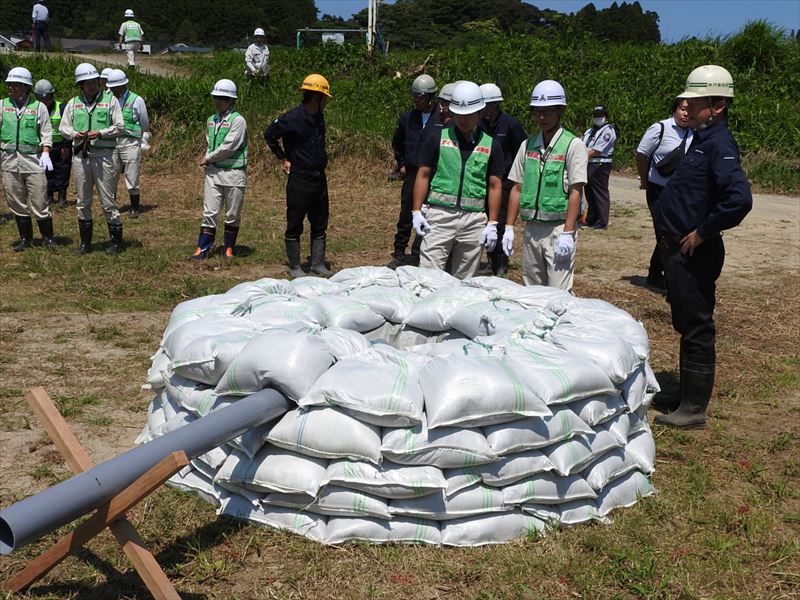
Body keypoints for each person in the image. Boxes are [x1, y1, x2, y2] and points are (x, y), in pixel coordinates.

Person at [651, 65, 752, 429]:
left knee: (696, 326)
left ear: (718, 105)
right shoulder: (701, 139)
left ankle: (694, 408)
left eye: (695, 101)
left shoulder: (720, 145)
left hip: (694, 252)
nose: (686, 106)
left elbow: (739, 199)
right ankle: (683, 393)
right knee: (685, 322)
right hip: (676, 251)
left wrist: (703, 232)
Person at [411, 81, 504, 280]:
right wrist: (417, 211)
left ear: (480, 113)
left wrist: (493, 223)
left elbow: (495, 185)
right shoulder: (437, 138)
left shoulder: (492, 146)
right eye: (459, 114)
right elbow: (423, 174)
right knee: (428, 276)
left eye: (469, 114)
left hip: (474, 219)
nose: (463, 119)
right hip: (439, 215)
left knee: (465, 280)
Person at [505, 79, 588, 291]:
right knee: (532, 288)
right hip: (532, 227)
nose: (542, 117)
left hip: (558, 227)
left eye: (548, 111)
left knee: (557, 291)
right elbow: (516, 187)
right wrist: (509, 227)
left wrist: (568, 232)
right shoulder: (528, 144)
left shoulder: (573, 145)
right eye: (537, 112)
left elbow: (576, 191)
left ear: (560, 111)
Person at [264, 74, 333, 278]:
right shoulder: (291, 118)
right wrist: (283, 158)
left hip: (319, 178)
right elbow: (269, 135)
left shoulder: (319, 117)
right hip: (300, 179)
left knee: (320, 222)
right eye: (325, 97)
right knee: (295, 222)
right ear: (316, 97)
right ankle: (295, 266)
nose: (327, 101)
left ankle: (317, 263)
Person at [59, 62, 125, 255]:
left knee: (108, 200)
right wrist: (74, 133)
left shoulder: (110, 100)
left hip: (104, 155)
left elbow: (120, 127)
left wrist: (101, 133)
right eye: (86, 83)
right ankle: (85, 243)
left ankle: (115, 243)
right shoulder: (73, 103)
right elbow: (63, 127)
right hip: (81, 156)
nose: (91, 86)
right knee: (83, 200)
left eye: (93, 82)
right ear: (80, 84)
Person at [635, 98, 693, 290]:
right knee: (665, 232)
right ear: (675, 109)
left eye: (690, 109)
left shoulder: (695, 131)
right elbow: (641, 154)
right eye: (682, 109)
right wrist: (644, 180)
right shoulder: (660, 128)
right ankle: (668, 276)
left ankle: (656, 273)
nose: (686, 113)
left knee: (672, 232)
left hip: (681, 192)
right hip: (658, 190)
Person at [388, 74, 441, 269]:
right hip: (412, 173)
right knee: (406, 213)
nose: (417, 100)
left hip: (433, 174)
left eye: (421, 97)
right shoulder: (407, 118)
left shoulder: (440, 119)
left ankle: (419, 252)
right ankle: (399, 252)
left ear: (431, 97)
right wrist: (401, 162)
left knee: (428, 212)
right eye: (415, 97)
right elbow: (397, 142)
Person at [190, 79, 248, 260]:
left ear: (231, 100)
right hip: (213, 173)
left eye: (222, 98)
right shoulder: (211, 120)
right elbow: (210, 143)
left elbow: (230, 146)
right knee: (210, 211)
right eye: (216, 97)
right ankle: (203, 247)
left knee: (232, 213)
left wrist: (208, 158)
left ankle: (228, 247)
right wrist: (209, 160)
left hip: (234, 173)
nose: (218, 101)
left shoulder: (238, 121)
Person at [1, 67, 56, 250]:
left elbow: (47, 132)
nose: (11, 88)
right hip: (9, 160)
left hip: (33, 160)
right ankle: (26, 239)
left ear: (25, 87)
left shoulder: (38, 107)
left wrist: (46, 152)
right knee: (16, 200)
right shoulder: (2, 106)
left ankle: (48, 238)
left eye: (15, 85)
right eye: (9, 84)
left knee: (39, 199)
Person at [480, 82, 527, 277]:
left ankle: (501, 264)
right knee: (485, 222)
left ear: (495, 105)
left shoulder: (510, 125)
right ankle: (491, 260)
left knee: (499, 223)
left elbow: (521, 151)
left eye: (487, 106)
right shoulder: (479, 124)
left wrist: (517, 178)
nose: (484, 110)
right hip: (483, 182)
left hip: (505, 184)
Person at [107, 69, 149, 218]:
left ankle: (134, 207)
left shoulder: (136, 100)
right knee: (111, 174)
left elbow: (144, 122)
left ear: (123, 86)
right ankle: (111, 206)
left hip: (130, 142)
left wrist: (135, 136)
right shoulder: (108, 98)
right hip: (111, 142)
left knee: (132, 174)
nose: (112, 90)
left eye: (114, 87)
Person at [33, 79, 72, 209]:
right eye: (40, 99)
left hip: (60, 145)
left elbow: (68, 126)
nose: (44, 101)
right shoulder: (35, 109)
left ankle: (62, 197)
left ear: (52, 96)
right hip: (44, 147)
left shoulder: (61, 107)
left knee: (62, 170)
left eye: (46, 98)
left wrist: (66, 146)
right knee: (46, 171)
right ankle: (49, 196)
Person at [581, 106, 616, 230]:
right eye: (595, 115)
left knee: (600, 192)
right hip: (588, 163)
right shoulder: (589, 131)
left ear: (605, 117)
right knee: (589, 192)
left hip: (600, 164)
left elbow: (596, 150)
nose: (597, 118)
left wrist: (578, 157)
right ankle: (591, 219)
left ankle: (602, 221)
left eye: (600, 115)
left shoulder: (608, 131)